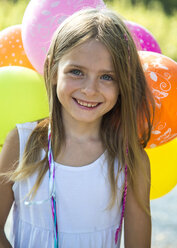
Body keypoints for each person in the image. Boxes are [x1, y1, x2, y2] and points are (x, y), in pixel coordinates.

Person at [0, 7, 155, 248]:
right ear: (52, 70)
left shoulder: (130, 161)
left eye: (107, 77)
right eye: (76, 72)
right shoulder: (21, 143)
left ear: (122, 82)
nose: (90, 89)